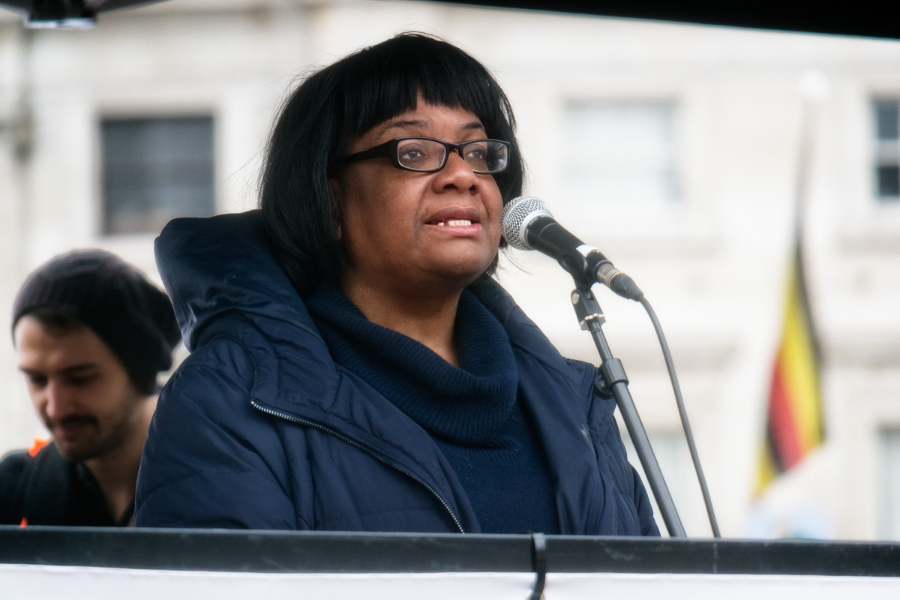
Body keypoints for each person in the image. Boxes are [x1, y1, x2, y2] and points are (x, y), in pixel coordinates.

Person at [136, 33, 659, 535]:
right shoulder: (230, 400)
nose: (462, 175)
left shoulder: (576, 407)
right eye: (413, 151)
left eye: (478, 152)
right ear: (327, 197)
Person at [0, 250, 181, 527]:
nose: (55, 407)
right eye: (36, 379)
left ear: (139, 372)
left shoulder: (223, 482)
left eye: (80, 378)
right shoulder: (14, 491)